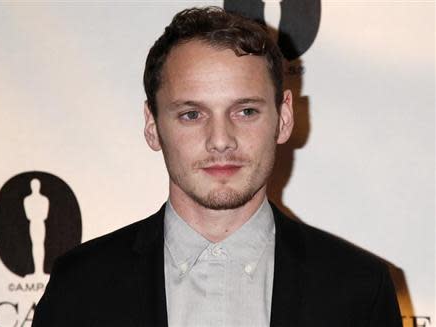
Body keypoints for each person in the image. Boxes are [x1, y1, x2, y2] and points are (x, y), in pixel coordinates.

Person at [32, 6, 402, 327]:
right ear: (152, 125)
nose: (221, 139)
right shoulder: (81, 286)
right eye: (192, 114)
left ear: (284, 117)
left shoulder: (358, 288)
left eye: (245, 111)